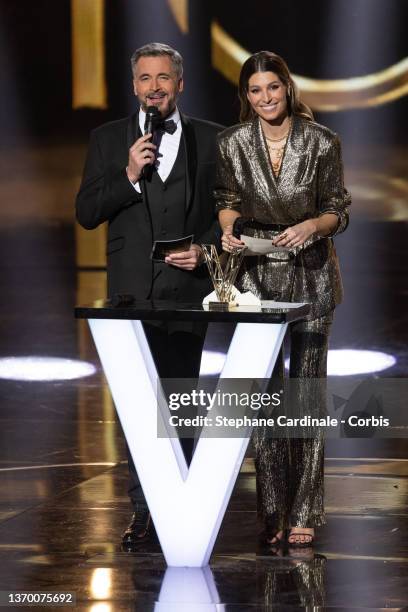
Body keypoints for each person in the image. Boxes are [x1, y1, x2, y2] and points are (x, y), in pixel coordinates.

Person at [76, 42, 223, 548]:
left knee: (178, 403)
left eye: (164, 78)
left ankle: (180, 508)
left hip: (187, 294)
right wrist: (129, 175)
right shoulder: (110, 138)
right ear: (134, 85)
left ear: (180, 84)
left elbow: (228, 215)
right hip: (129, 297)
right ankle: (144, 512)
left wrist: (205, 252)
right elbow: (87, 211)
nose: (154, 87)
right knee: (139, 412)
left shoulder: (214, 139)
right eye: (144, 78)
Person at [214, 51, 350, 548]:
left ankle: (305, 508)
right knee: (263, 399)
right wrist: (229, 230)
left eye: (273, 87)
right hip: (254, 280)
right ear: (246, 96)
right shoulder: (232, 142)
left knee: (306, 395)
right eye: (255, 90)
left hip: (311, 276)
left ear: (287, 89)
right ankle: (271, 508)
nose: (265, 98)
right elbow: (225, 198)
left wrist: (311, 227)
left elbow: (338, 208)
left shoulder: (321, 142)